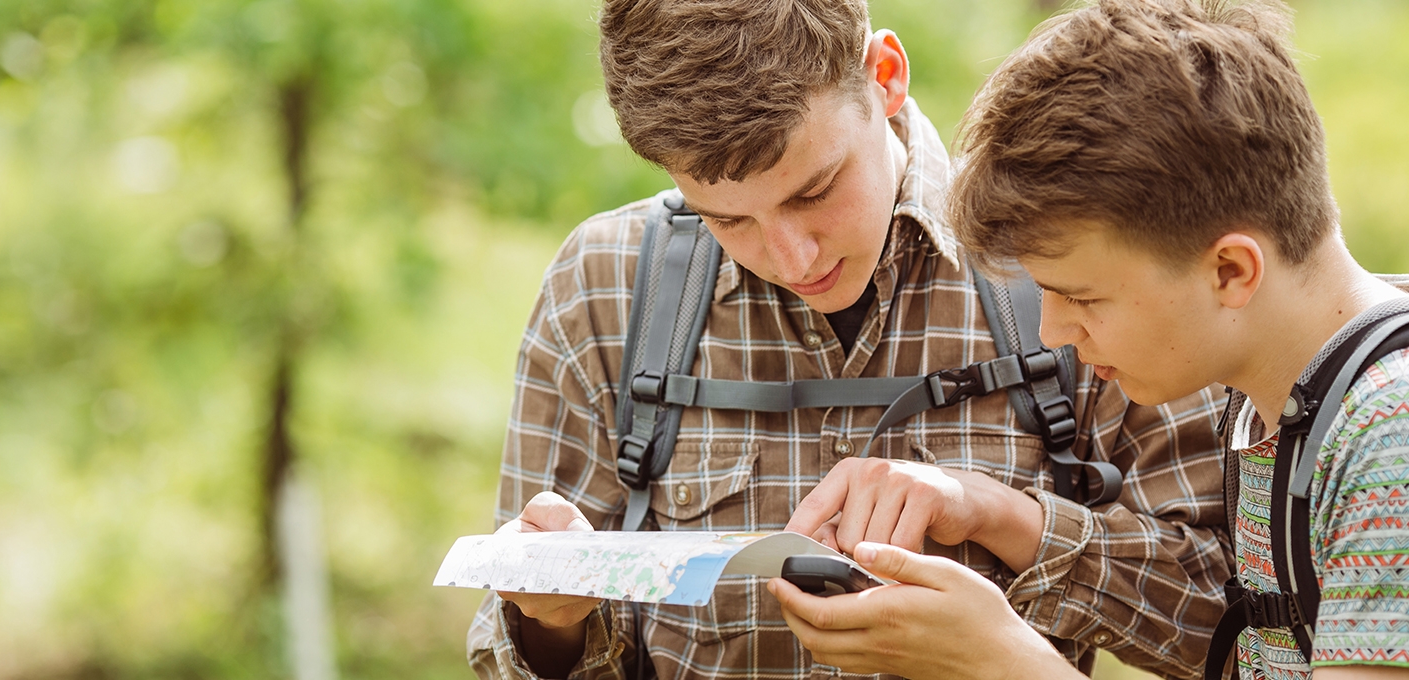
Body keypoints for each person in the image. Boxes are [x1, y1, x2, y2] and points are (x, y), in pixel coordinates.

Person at [467, 1, 1230, 679]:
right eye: (728, 220)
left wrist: (1008, 520)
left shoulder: (1060, 259)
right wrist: (550, 620)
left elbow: (1225, 625)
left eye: (815, 190)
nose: (793, 257)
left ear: (885, 76)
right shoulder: (608, 285)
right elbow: (512, 655)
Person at [769, 0, 1409, 678]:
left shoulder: (1389, 438)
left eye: (1082, 295)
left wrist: (997, 658)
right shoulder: (1278, 412)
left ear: (1231, 270)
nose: (1053, 332)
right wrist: (996, 515)